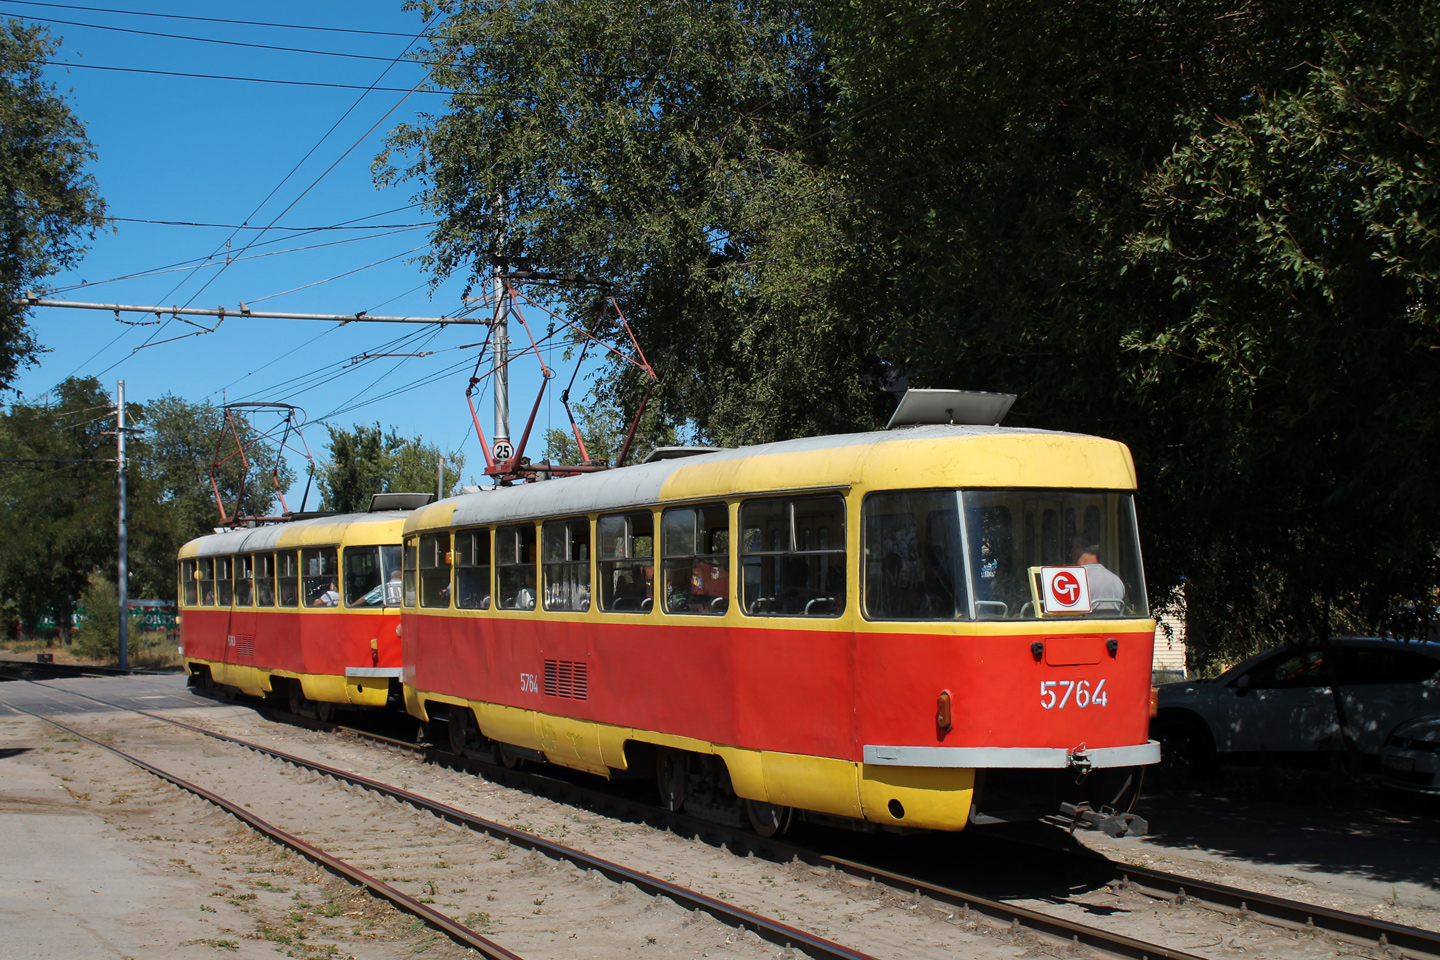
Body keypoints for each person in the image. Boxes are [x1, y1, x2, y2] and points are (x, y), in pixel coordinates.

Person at [1071, 537, 1125, 606]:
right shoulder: (1116, 580)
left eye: (1072, 547)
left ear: (1077, 550)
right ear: (1097, 552)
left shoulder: (1076, 580)